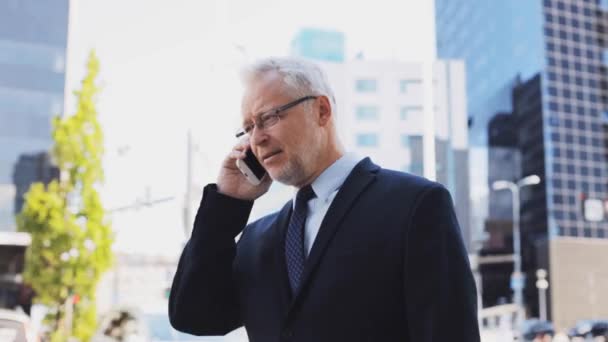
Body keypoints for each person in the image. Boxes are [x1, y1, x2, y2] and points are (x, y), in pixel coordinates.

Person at [169, 57, 480, 342]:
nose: (257, 138)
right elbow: (194, 316)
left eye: (268, 118)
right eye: (249, 128)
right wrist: (226, 206)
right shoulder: (256, 239)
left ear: (321, 110)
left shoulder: (415, 205)